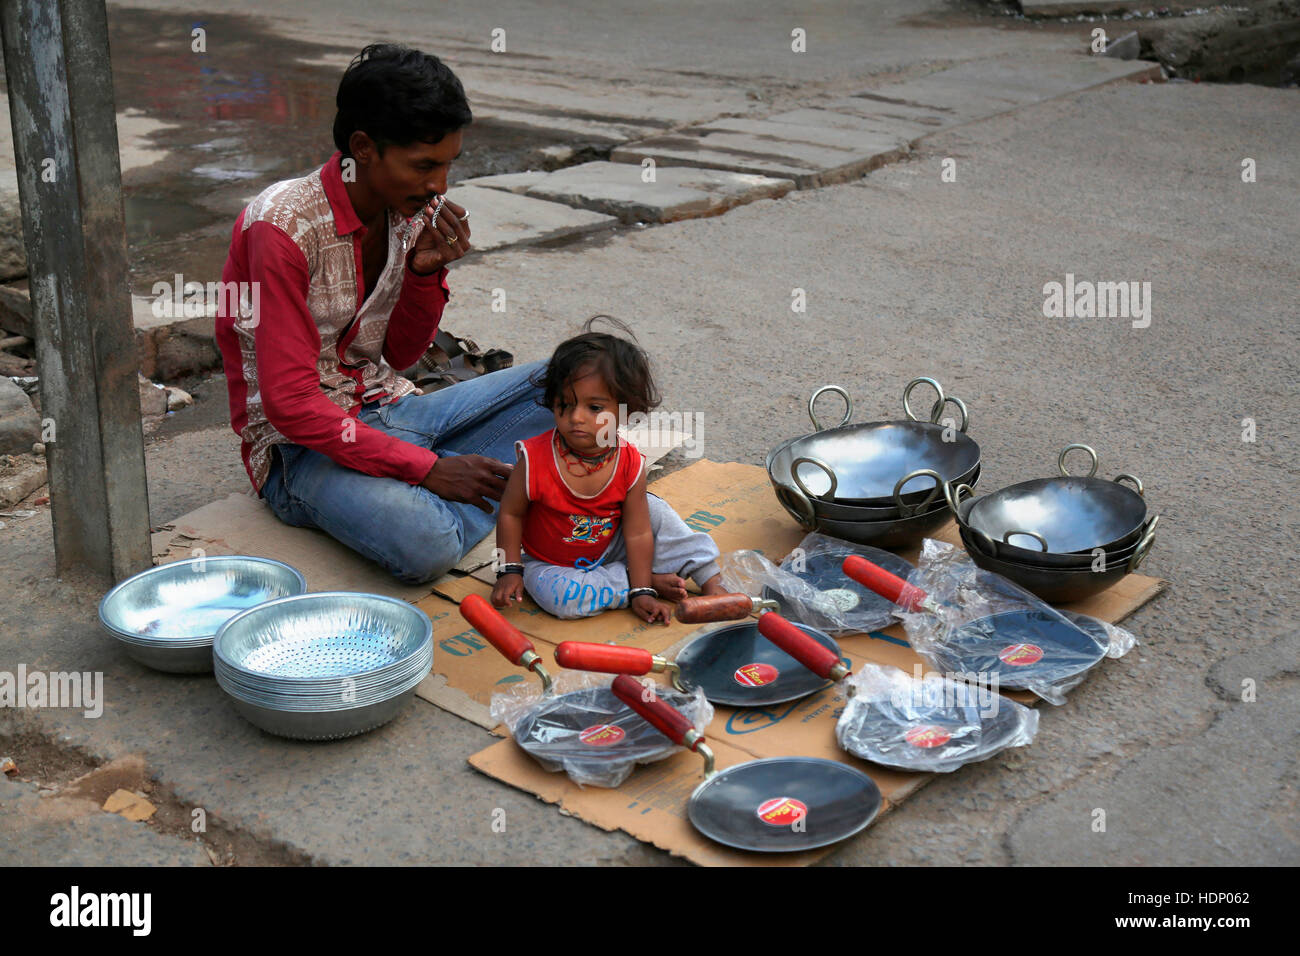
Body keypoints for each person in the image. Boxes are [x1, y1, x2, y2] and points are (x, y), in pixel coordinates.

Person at [215, 44, 553, 583]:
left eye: (447, 165)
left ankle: (473, 482)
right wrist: (429, 470)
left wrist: (424, 274)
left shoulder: (406, 210)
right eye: (425, 165)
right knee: (426, 543)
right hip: (301, 452)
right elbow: (292, 406)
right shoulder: (279, 229)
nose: (440, 186)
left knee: (575, 380)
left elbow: (400, 354)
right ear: (364, 148)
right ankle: (520, 487)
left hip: (391, 407)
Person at [490, 320, 726, 623]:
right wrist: (509, 570)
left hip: (613, 543)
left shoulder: (630, 462)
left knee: (655, 510)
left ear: (626, 409)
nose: (576, 418)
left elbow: (638, 532)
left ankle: (709, 579)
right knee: (563, 599)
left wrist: (643, 592)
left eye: (594, 408)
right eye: (565, 404)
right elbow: (510, 514)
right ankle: (635, 581)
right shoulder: (533, 459)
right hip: (551, 563)